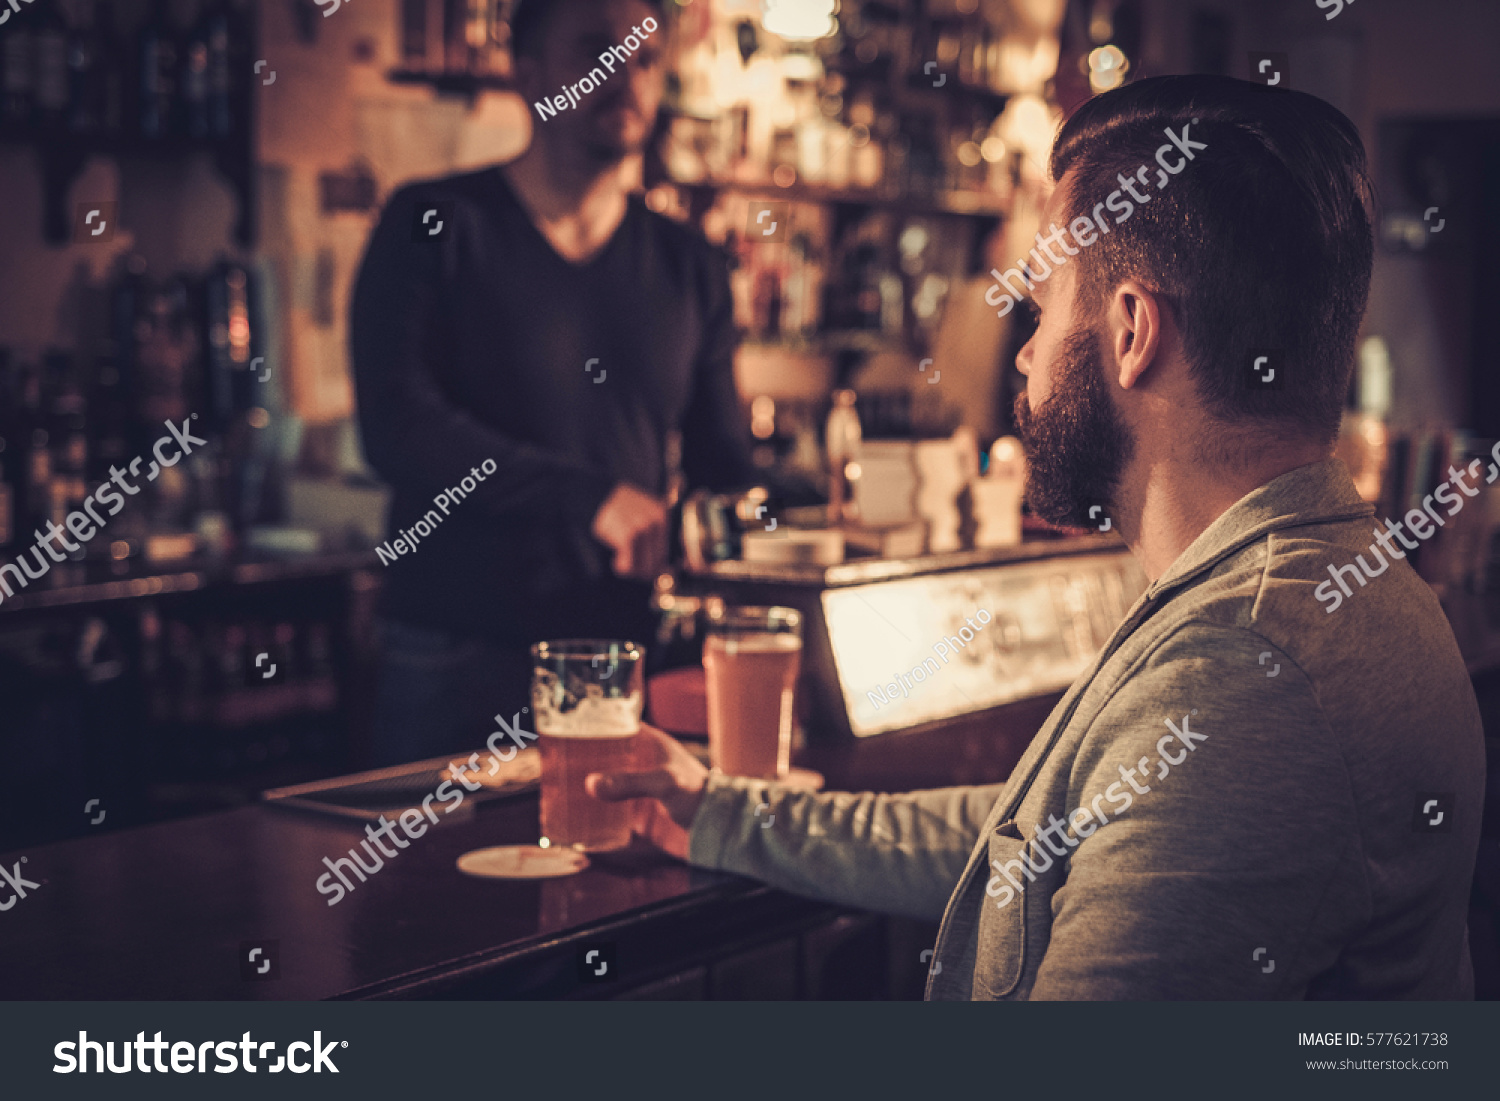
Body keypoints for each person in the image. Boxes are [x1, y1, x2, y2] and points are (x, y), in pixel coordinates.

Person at [590, 75, 1487, 999]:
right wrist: (724, 813)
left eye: (1045, 303)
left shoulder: (1244, 677)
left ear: (1132, 331)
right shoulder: (1338, 578)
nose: (1024, 351)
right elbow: (1043, 833)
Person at [350, 0, 754, 767]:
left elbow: (723, 462)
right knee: (433, 888)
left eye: (644, 57)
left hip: (619, 660)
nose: (626, 79)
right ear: (528, 73)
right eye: (596, 50)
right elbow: (397, 428)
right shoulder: (431, 223)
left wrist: (757, 526)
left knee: (633, 886)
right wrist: (588, 496)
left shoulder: (689, 263)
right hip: (456, 650)